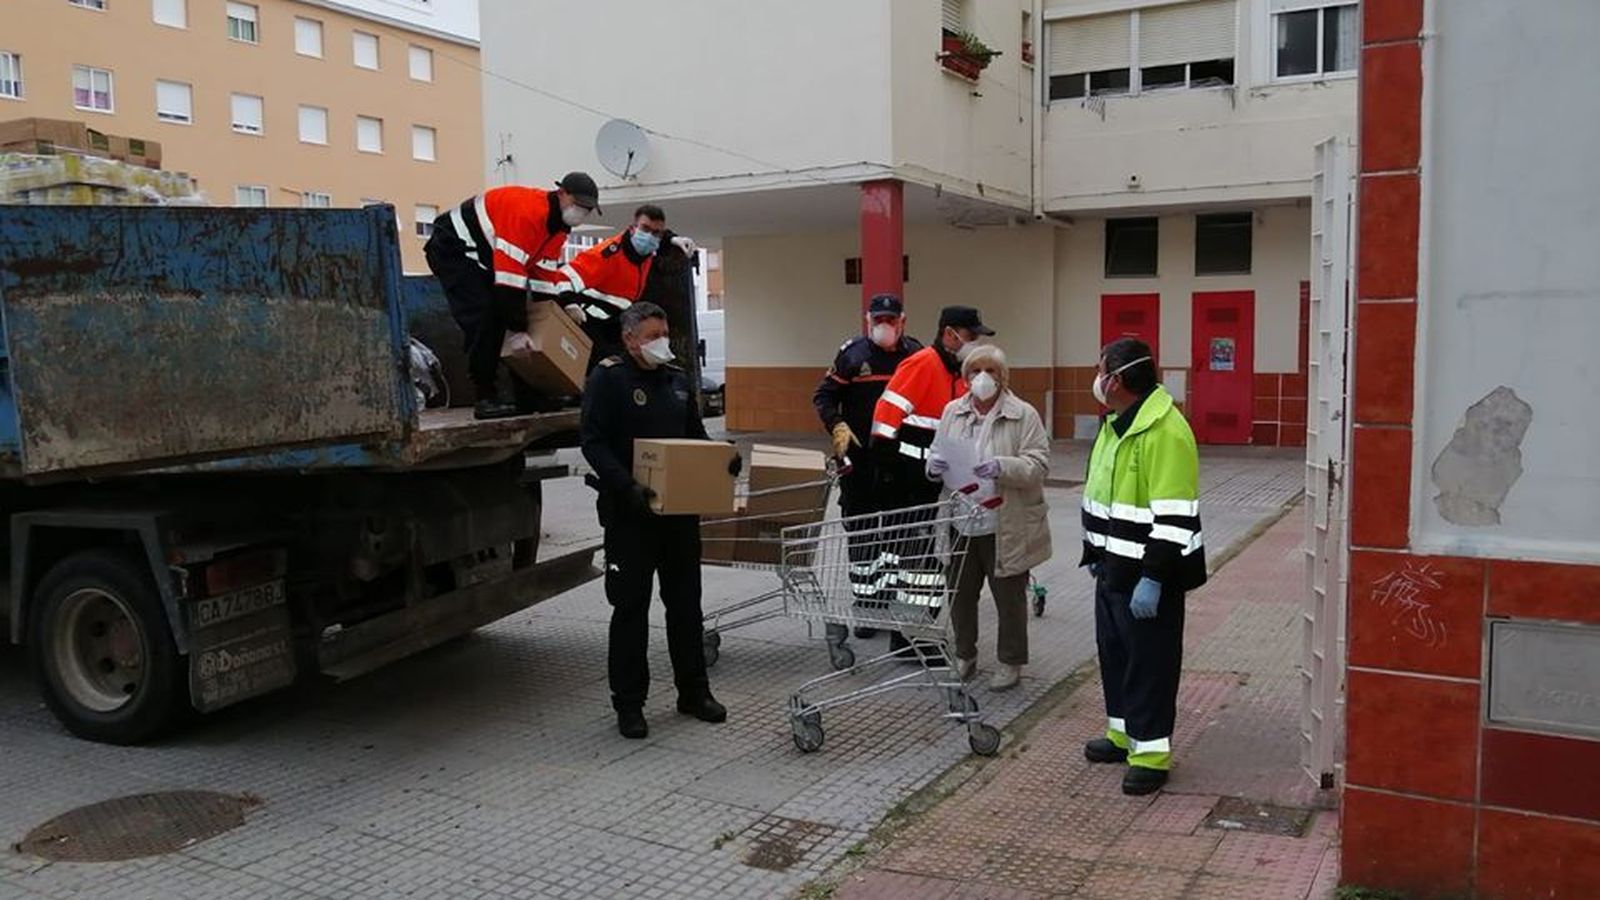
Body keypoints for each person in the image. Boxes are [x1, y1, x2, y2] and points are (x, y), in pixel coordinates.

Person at [580, 302, 738, 739]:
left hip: (678, 516)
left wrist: (722, 460)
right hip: (630, 516)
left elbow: (696, 438)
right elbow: (592, 442)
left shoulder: (677, 381)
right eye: (652, 335)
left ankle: (694, 692)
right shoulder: (609, 378)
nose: (660, 342)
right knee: (630, 610)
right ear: (630, 338)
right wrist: (625, 485)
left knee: (686, 607)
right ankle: (630, 704)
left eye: (663, 333)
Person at [1079, 337, 1206, 796]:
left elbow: (1174, 517)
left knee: (1150, 663)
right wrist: (1094, 553)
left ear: (1118, 378)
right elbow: (1104, 495)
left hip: (1148, 576)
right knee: (1114, 655)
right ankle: (1122, 733)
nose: (1097, 379)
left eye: (1101, 370)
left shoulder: (1165, 431)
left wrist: (1152, 578)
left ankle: (1150, 753)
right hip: (1113, 568)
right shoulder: (1116, 425)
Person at [425, 172, 601, 420]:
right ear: (562, 193)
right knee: (484, 316)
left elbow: (544, 276)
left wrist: (558, 309)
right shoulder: (529, 214)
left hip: (484, 255)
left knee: (526, 321)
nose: (581, 212)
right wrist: (519, 330)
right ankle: (485, 396)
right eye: (579, 205)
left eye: (587, 209)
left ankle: (529, 395)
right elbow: (510, 281)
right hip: (452, 247)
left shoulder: (559, 228)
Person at [870, 305, 992, 656]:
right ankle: (909, 639)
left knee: (931, 559)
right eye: (971, 335)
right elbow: (886, 416)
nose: (975, 342)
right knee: (918, 560)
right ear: (950, 333)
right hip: (911, 482)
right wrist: (888, 468)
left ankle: (918, 631)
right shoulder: (923, 363)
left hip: (941, 483)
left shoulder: (959, 371)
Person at [926, 345, 1050, 691]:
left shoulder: (1022, 414)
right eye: (974, 370)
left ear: (1003, 376)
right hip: (960, 518)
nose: (982, 378)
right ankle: (964, 654)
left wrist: (1002, 466)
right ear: (964, 378)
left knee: (1009, 597)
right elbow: (938, 451)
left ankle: (1011, 661)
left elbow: (1038, 465)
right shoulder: (953, 411)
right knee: (961, 593)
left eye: (991, 370)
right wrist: (933, 466)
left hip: (1003, 520)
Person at [811, 294, 922, 633]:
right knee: (861, 531)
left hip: (901, 460)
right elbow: (824, 395)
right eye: (878, 321)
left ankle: (894, 594)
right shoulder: (853, 355)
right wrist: (836, 424)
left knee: (899, 529)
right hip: (859, 460)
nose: (884, 327)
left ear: (902, 321)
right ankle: (868, 602)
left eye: (891, 320)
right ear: (868, 321)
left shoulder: (916, 356)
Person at [560, 204, 697, 369]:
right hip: (591, 325)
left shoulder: (646, 252)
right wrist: (569, 302)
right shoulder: (608, 254)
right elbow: (564, 276)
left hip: (617, 324)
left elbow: (660, 236)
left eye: (656, 233)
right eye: (645, 229)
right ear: (632, 229)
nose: (649, 236)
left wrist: (673, 238)